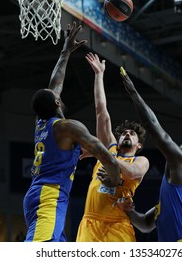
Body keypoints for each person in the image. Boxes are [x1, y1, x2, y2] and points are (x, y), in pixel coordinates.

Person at [23, 23, 121, 242]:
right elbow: (106, 155)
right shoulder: (68, 127)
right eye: (55, 94)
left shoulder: (42, 123)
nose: (57, 90)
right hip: (49, 196)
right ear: (57, 102)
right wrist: (115, 180)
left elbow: (55, 83)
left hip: (42, 194)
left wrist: (65, 52)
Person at [114, 67, 182, 242]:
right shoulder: (168, 199)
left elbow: (154, 128)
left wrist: (133, 91)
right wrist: (128, 210)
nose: (178, 145)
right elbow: (145, 224)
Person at [76, 53, 149, 242]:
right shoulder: (109, 150)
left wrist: (102, 154)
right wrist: (99, 75)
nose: (126, 134)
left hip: (118, 224)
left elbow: (132, 173)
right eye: (124, 133)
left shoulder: (140, 160)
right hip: (90, 222)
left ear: (138, 145)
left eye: (131, 134)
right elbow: (101, 111)